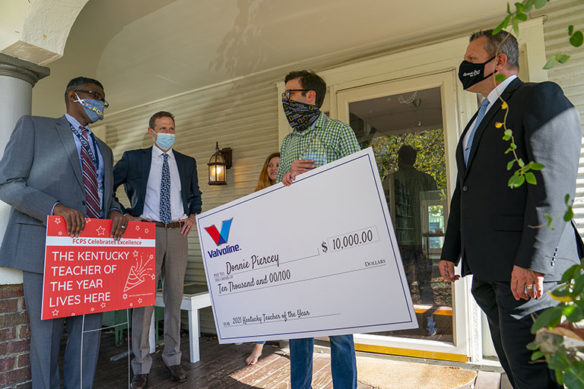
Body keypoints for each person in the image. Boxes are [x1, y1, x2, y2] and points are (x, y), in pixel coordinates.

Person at [439, 30, 582, 389]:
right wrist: (451, 250)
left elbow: (554, 184)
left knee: (539, 377)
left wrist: (533, 261)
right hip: (489, 273)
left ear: (499, 61)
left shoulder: (537, 98)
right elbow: (465, 191)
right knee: (519, 374)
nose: (465, 67)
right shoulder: (477, 121)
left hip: (529, 274)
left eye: (472, 60)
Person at [0, 76, 127, 389]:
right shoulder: (34, 128)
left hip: (93, 255)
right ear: (74, 95)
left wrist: (116, 211)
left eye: (103, 99)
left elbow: (105, 195)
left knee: (88, 334)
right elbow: (8, 183)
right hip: (45, 248)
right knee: (46, 336)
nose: (101, 104)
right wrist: (54, 208)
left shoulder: (105, 151)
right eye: (95, 96)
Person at [278, 70, 360, 389]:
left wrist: (319, 177)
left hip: (334, 244)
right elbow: (279, 190)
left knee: (340, 329)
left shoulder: (339, 132)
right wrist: (287, 178)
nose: (286, 100)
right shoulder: (288, 143)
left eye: (290, 94)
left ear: (309, 96)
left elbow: (357, 181)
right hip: (298, 245)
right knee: (299, 328)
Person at [113, 111, 202, 389]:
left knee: (175, 299)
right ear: (151, 131)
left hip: (177, 233)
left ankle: (173, 359)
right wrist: (124, 214)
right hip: (145, 233)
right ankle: (141, 366)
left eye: (172, 128)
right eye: (162, 128)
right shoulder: (134, 158)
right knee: (143, 301)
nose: (168, 132)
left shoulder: (187, 162)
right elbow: (108, 187)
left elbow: (194, 195)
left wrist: (193, 216)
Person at [388, 145, 438, 335]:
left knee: (403, 284)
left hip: (400, 241)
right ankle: (430, 325)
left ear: (400, 159)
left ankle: (401, 326)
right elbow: (435, 210)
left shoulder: (391, 181)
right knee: (425, 284)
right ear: (414, 160)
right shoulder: (427, 180)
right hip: (423, 239)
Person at [245, 152, 280, 366]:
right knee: (265, 302)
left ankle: (299, 345)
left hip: (288, 251)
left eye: (278, 164)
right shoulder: (258, 194)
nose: (274, 168)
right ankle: (258, 347)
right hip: (265, 253)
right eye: (270, 165)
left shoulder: (292, 189)